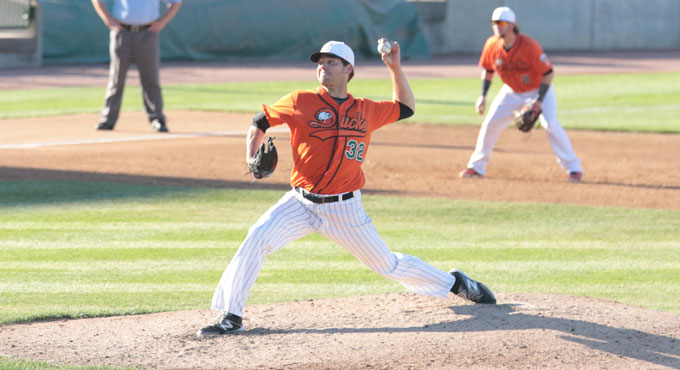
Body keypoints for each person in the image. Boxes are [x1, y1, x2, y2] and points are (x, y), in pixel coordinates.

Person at [197, 40, 496, 336]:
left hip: (345, 209)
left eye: (331, 61)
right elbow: (259, 121)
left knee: (387, 265)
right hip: (300, 203)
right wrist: (252, 153)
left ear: (348, 69)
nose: (323, 66)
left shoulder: (365, 109)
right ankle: (231, 315)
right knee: (257, 237)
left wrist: (394, 66)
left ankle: (456, 283)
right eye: (320, 62)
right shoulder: (301, 100)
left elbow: (405, 107)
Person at [459, 6, 583, 183]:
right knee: (490, 124)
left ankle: (574, 168)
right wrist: (483, 96)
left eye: (501, 23)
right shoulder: (491, 44)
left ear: (512, 25)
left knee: (551, 125)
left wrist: (539, 102)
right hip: (511, 91)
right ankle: (476, 167)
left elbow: (548, 74)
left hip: (538, 89)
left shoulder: (529, 46)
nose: (497, 26)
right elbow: (488, 70)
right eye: (494, 23)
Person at [91, 0, 182, 133]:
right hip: (122, 32)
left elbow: (176, 2)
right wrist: (107, 19)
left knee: (150, 78)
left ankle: (157, 119)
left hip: (147, 33)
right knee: (116, 79)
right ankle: (108, 119)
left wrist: (162, 22)